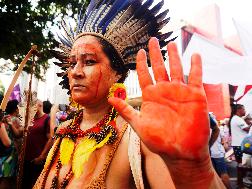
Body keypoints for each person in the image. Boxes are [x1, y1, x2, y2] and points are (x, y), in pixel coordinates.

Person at [33, 0, 225, 188]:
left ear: (117, 73)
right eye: (72, 63)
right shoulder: (65, 128)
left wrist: (194, 170)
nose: (75, 71)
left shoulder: (140, 137)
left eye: (89, 61)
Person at [22, 100, 52, 189]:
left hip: (38, 159)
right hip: (26, 158)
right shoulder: (30, 119)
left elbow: (50, 139)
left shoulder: (47, 118)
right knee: (25, 184)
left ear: (39, 105)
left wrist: (42, 156)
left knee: (37, 184)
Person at [209, 114, 231, 188]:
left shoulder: (214, 126)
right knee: (221, 173)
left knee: (218, 175)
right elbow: (223, 139)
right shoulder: (216, 126)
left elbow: (222, 139)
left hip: (212, 153)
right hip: (216, 153)